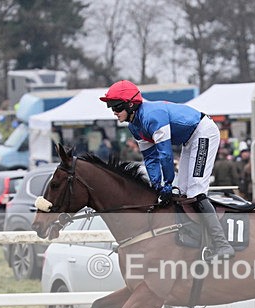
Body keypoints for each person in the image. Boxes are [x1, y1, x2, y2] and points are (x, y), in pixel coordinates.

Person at [100, 80, 235, 259]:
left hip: (203, 132)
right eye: (111, 107)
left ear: (130, 104)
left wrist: (168, 183)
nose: (114, 112)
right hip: (189, 139)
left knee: (196, 190)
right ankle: (198, 239)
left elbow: (165, 154)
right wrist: (157, 185)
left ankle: (222, 244)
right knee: (184, 192)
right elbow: (151, 158)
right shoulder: (134, 126)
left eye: (116, 106)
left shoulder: (152, 117)